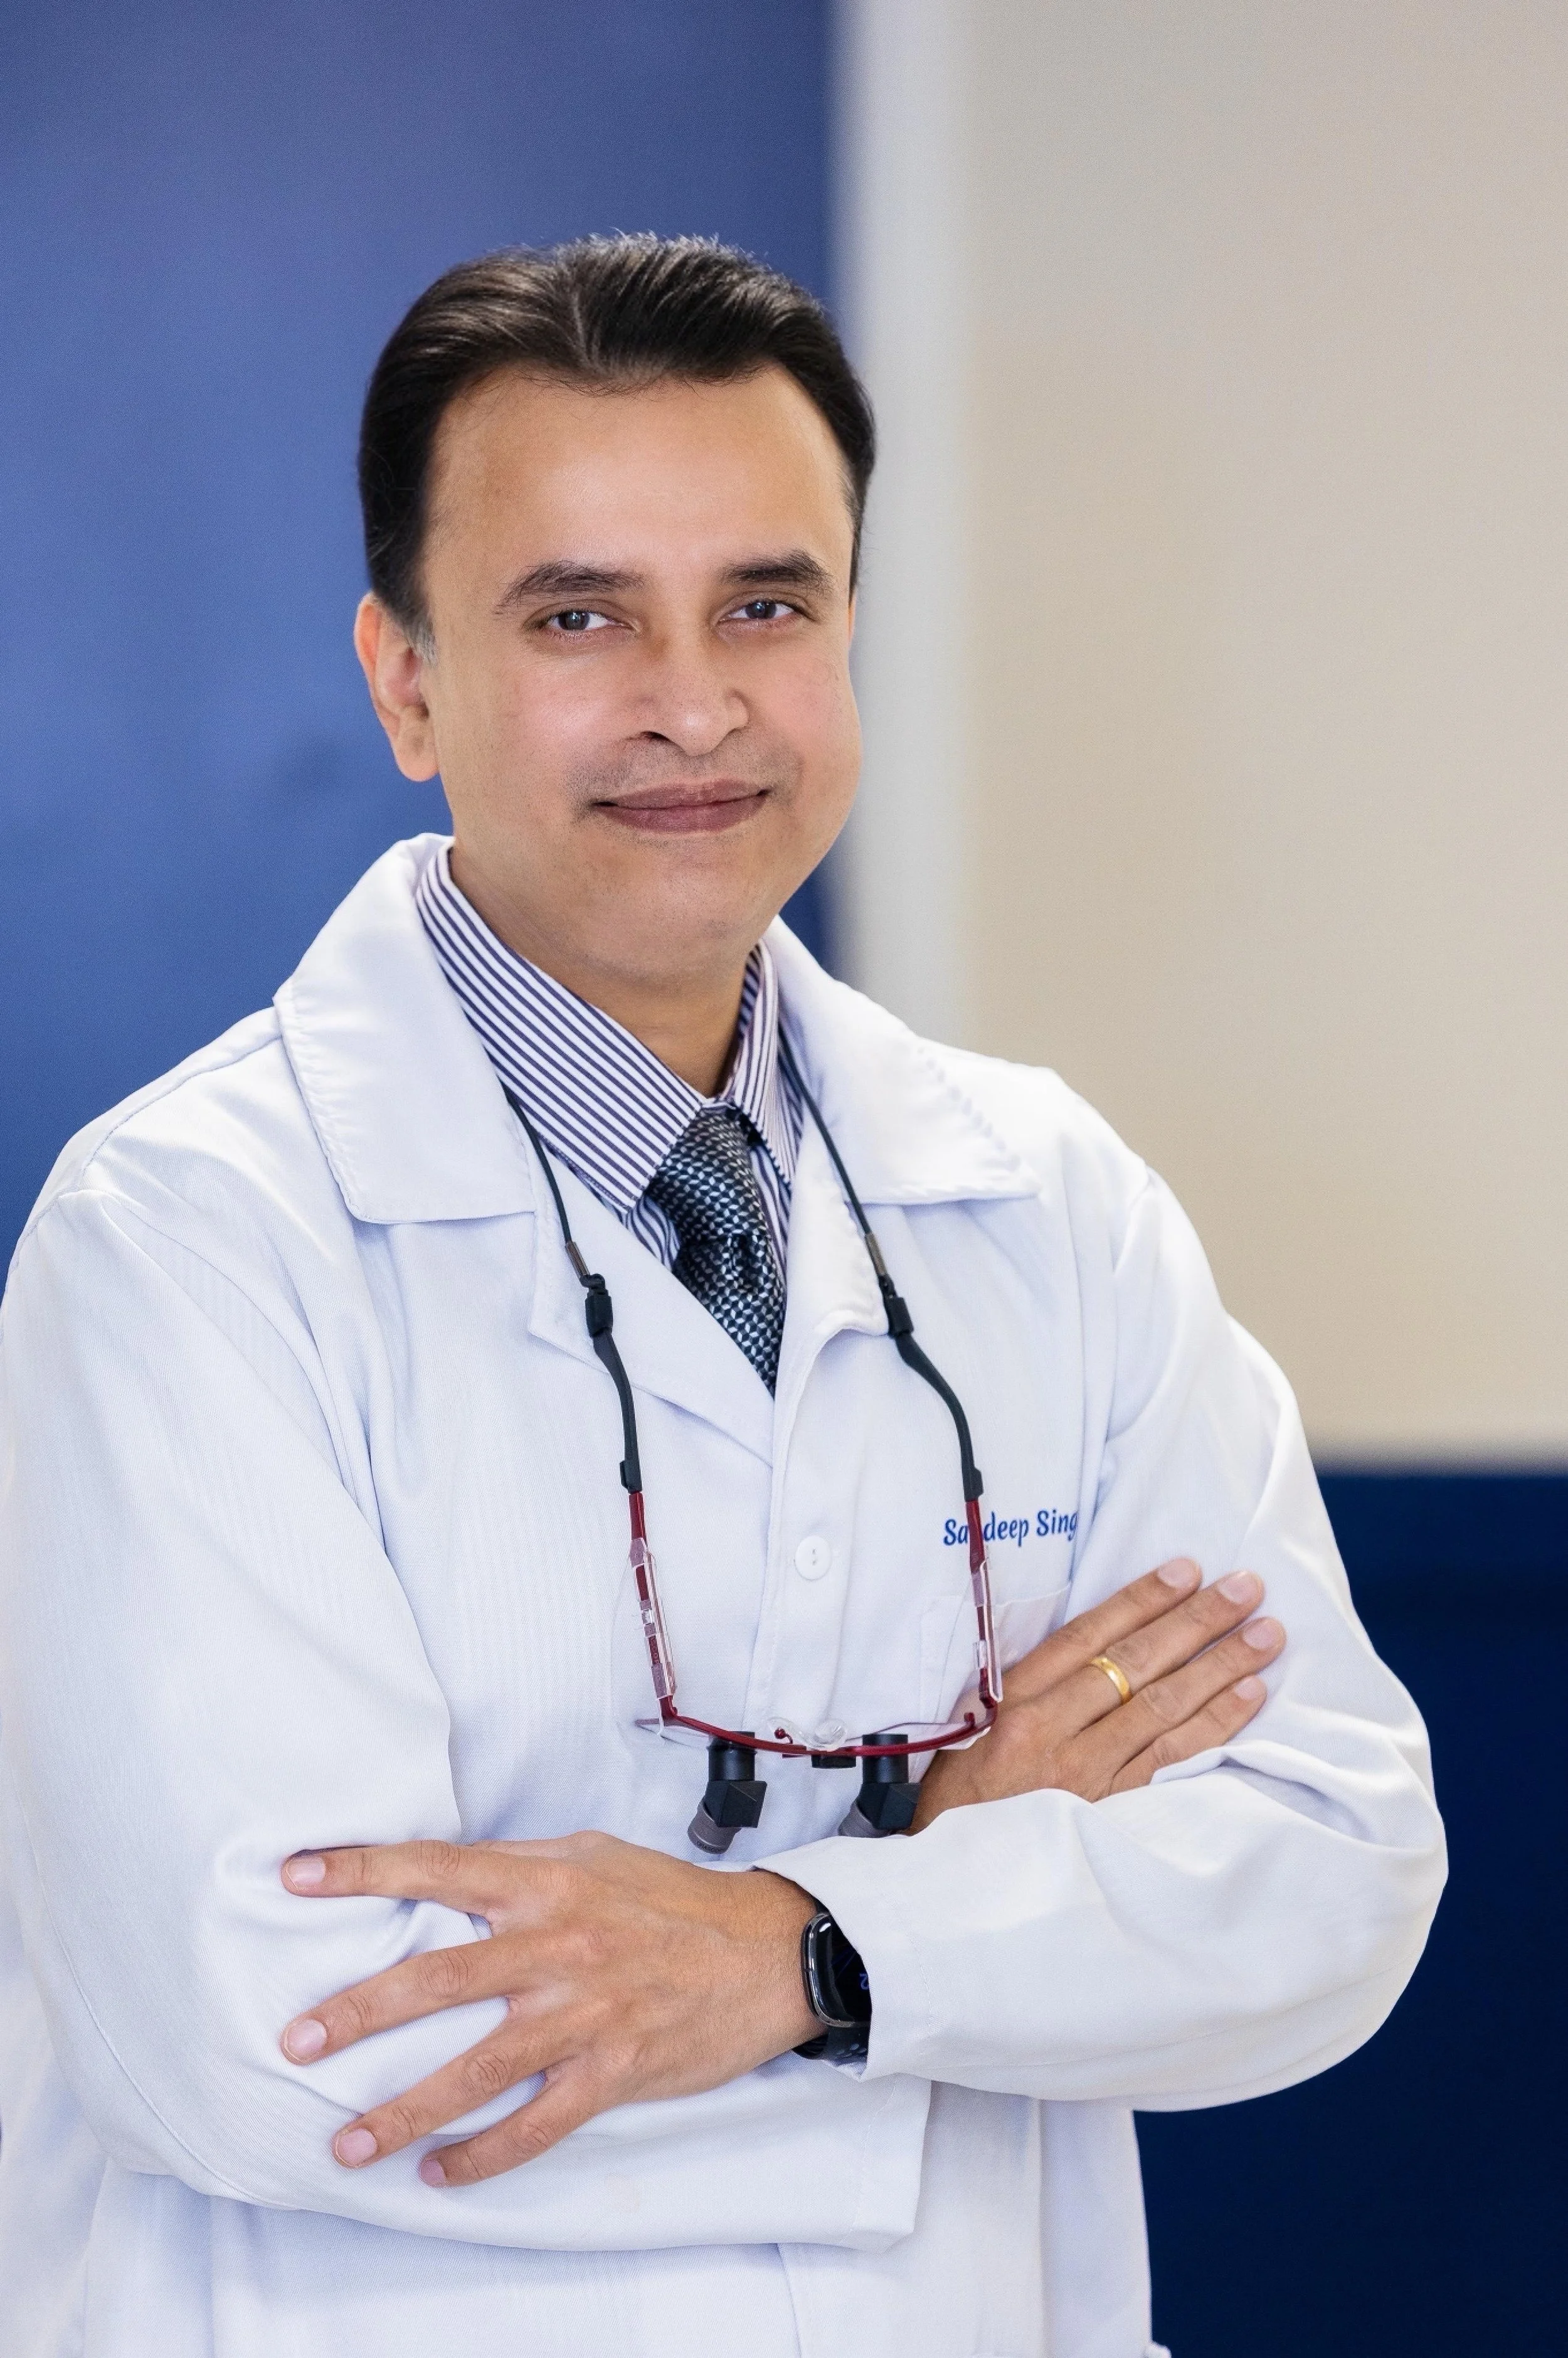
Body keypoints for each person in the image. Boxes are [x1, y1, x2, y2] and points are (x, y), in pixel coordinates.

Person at [0, 236, 1444, 2358]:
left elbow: (1326, 1872)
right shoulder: (192, 1238)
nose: (696, 701)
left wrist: (799, 1951)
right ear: (405, 681)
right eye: (578, 616)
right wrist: (971, 1934)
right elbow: (290, 2041)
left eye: (766, 604)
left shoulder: (1043, 1203)